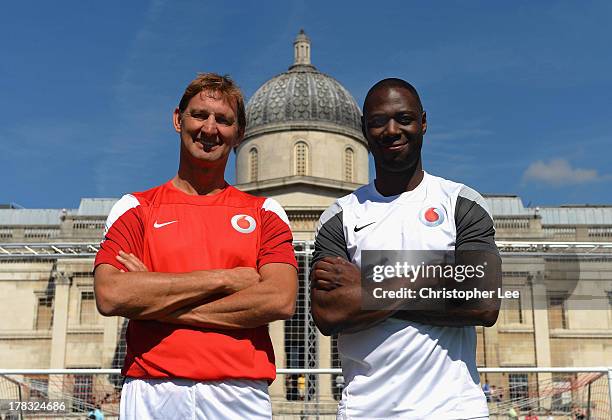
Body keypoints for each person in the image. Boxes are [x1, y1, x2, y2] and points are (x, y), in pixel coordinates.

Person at [94, 73, 298, 419]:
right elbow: (111, 294)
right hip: (152, 388)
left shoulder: (265, 212)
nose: (209, 128)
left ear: (240, 134)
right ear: (178, 120)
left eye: (223, 120)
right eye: (200, 115)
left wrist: (153, 300)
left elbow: (279, 299)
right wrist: (227, 279)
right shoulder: (135, 207)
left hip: (239, 391)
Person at [310, 78, 501, 419]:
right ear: (363, 130)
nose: (392, 130)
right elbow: (328, 315)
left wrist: (364, 289)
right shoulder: (338, 217)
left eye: (404, 119)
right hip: (365, 411)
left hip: (453, 410)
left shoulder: (461, 203)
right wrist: (438, 274)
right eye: (379, 121)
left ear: (423, 122)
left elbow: (482, 303)